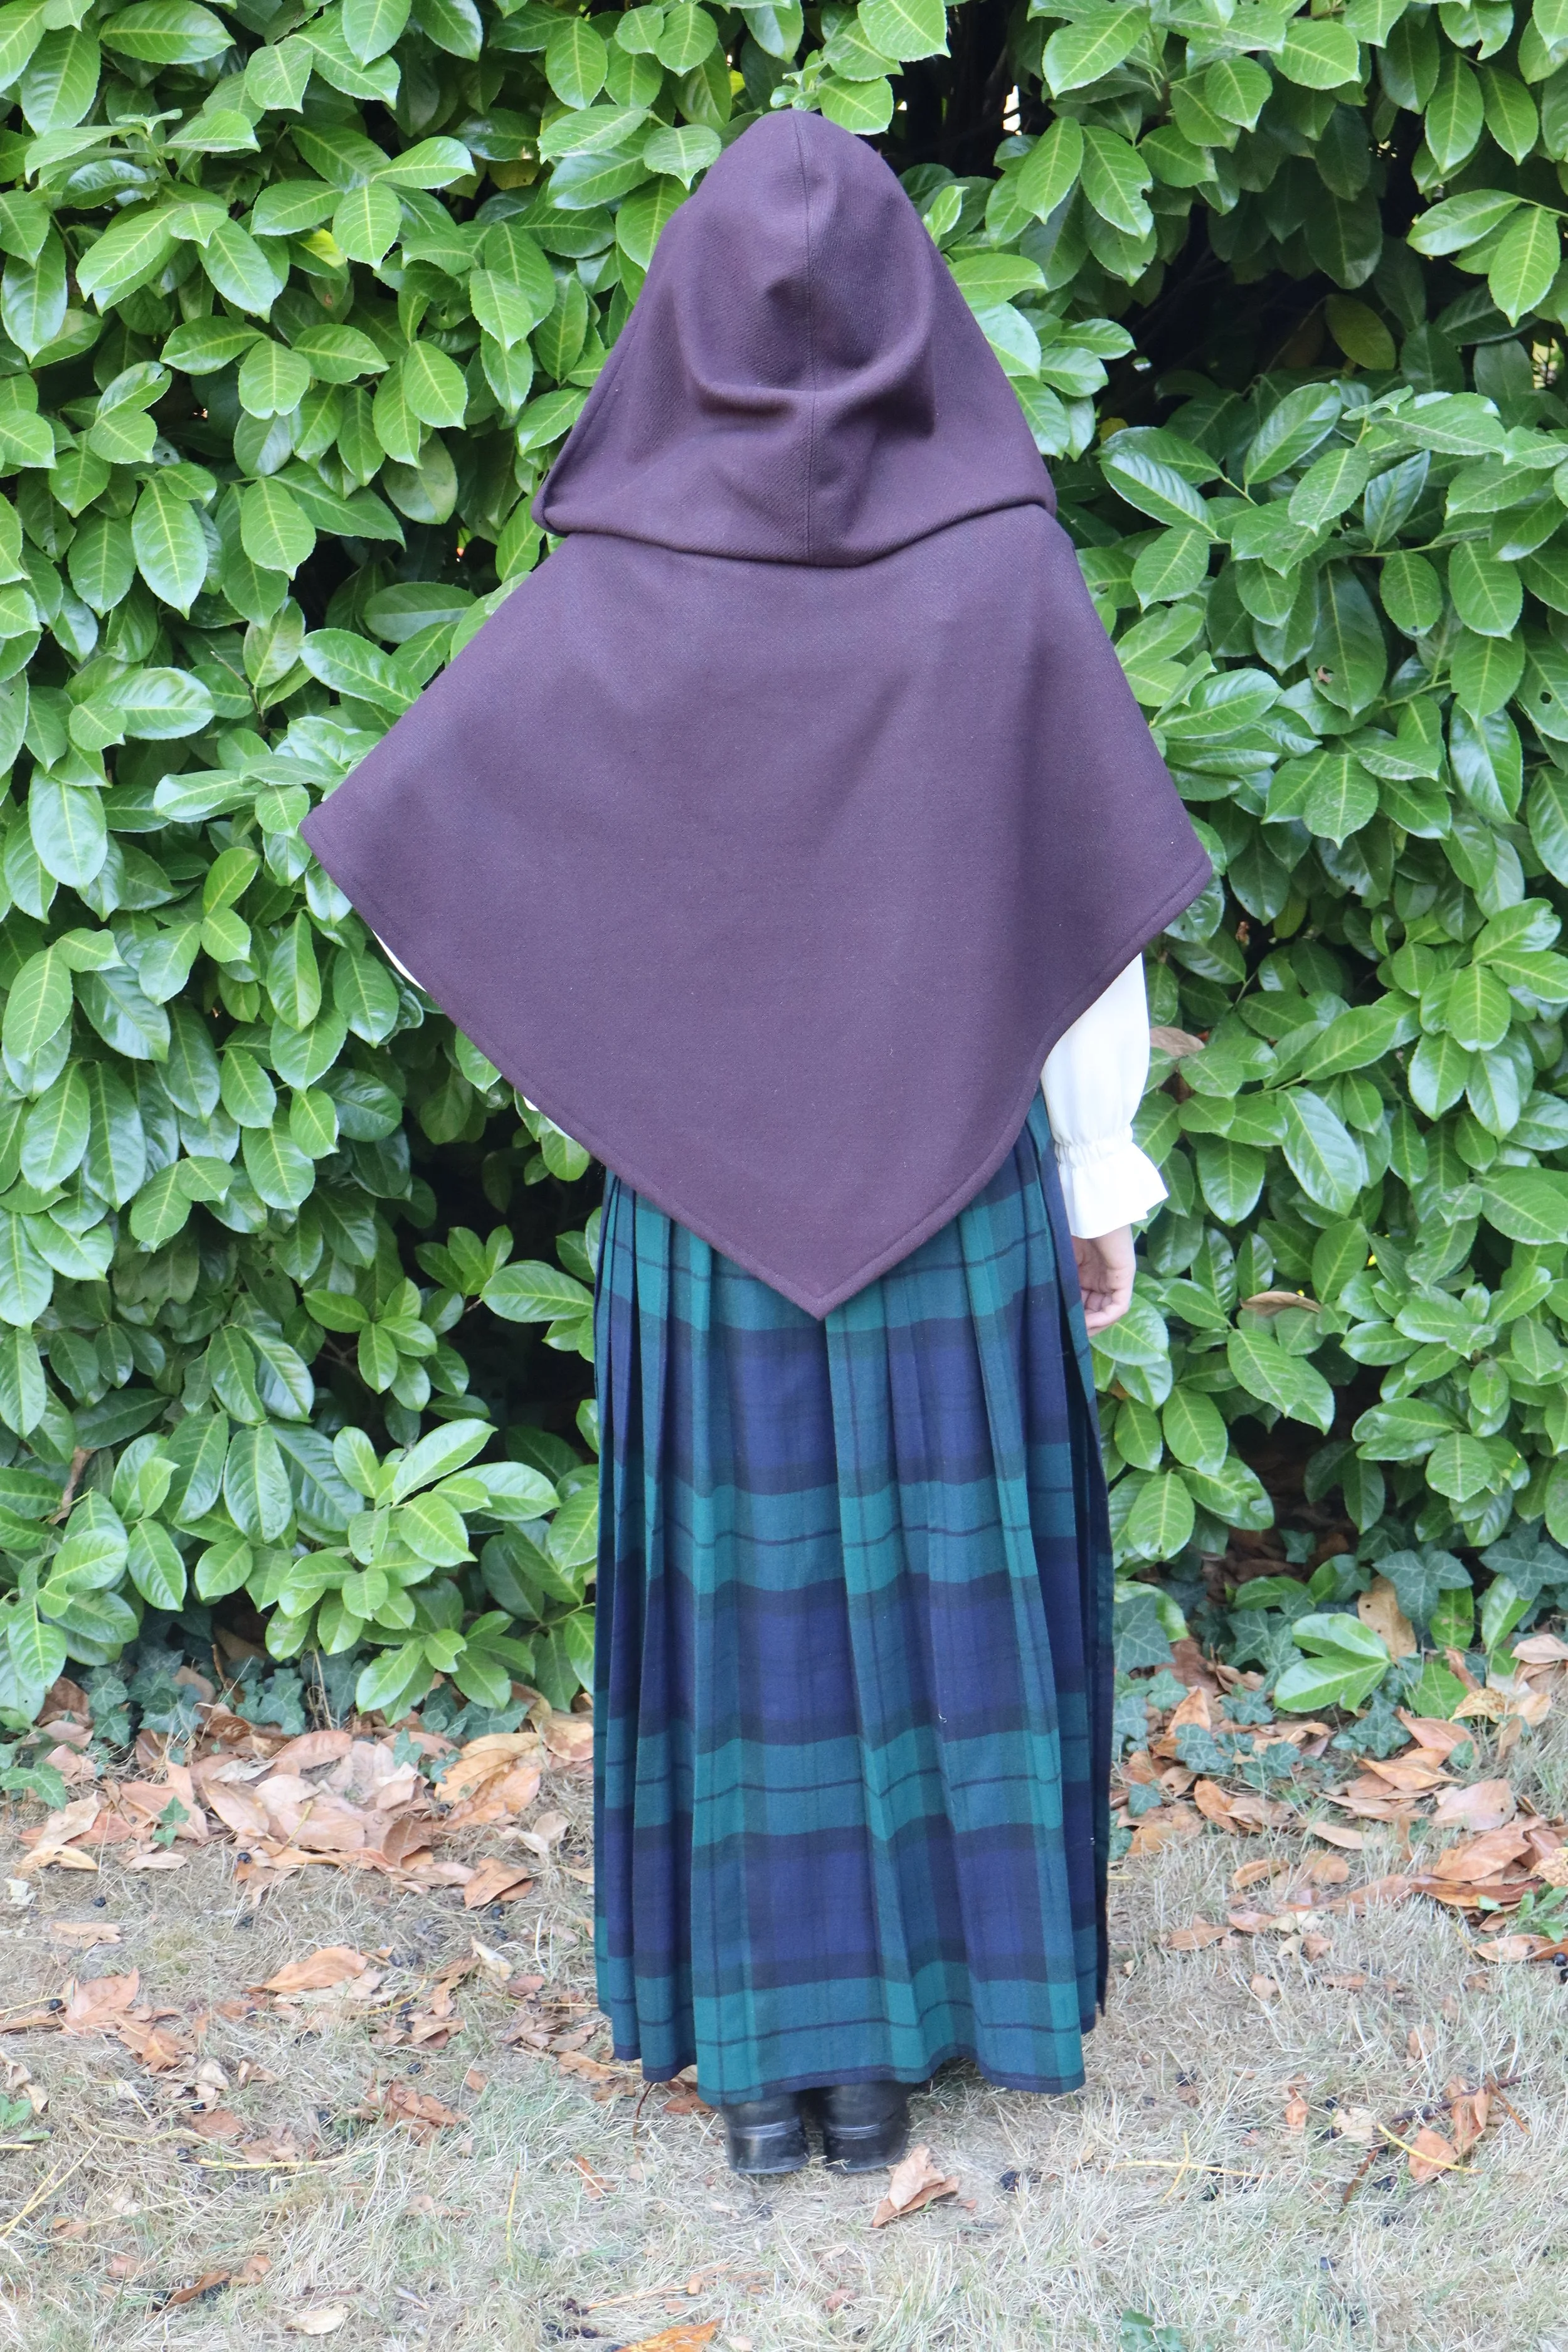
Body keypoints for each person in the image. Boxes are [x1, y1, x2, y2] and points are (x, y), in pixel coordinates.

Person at [303, 109, 1210, 2178]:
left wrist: (634, 1071)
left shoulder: (610, 594)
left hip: (699, 1220)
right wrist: (1095, 1180)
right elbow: (1078, 938)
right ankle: (916, 2035)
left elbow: (425, 874)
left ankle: (770, 2071)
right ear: (913, 310)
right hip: (960, 1183)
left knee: (755, 1616)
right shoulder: (999, 575)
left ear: (686, 314)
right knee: (936, 1602)